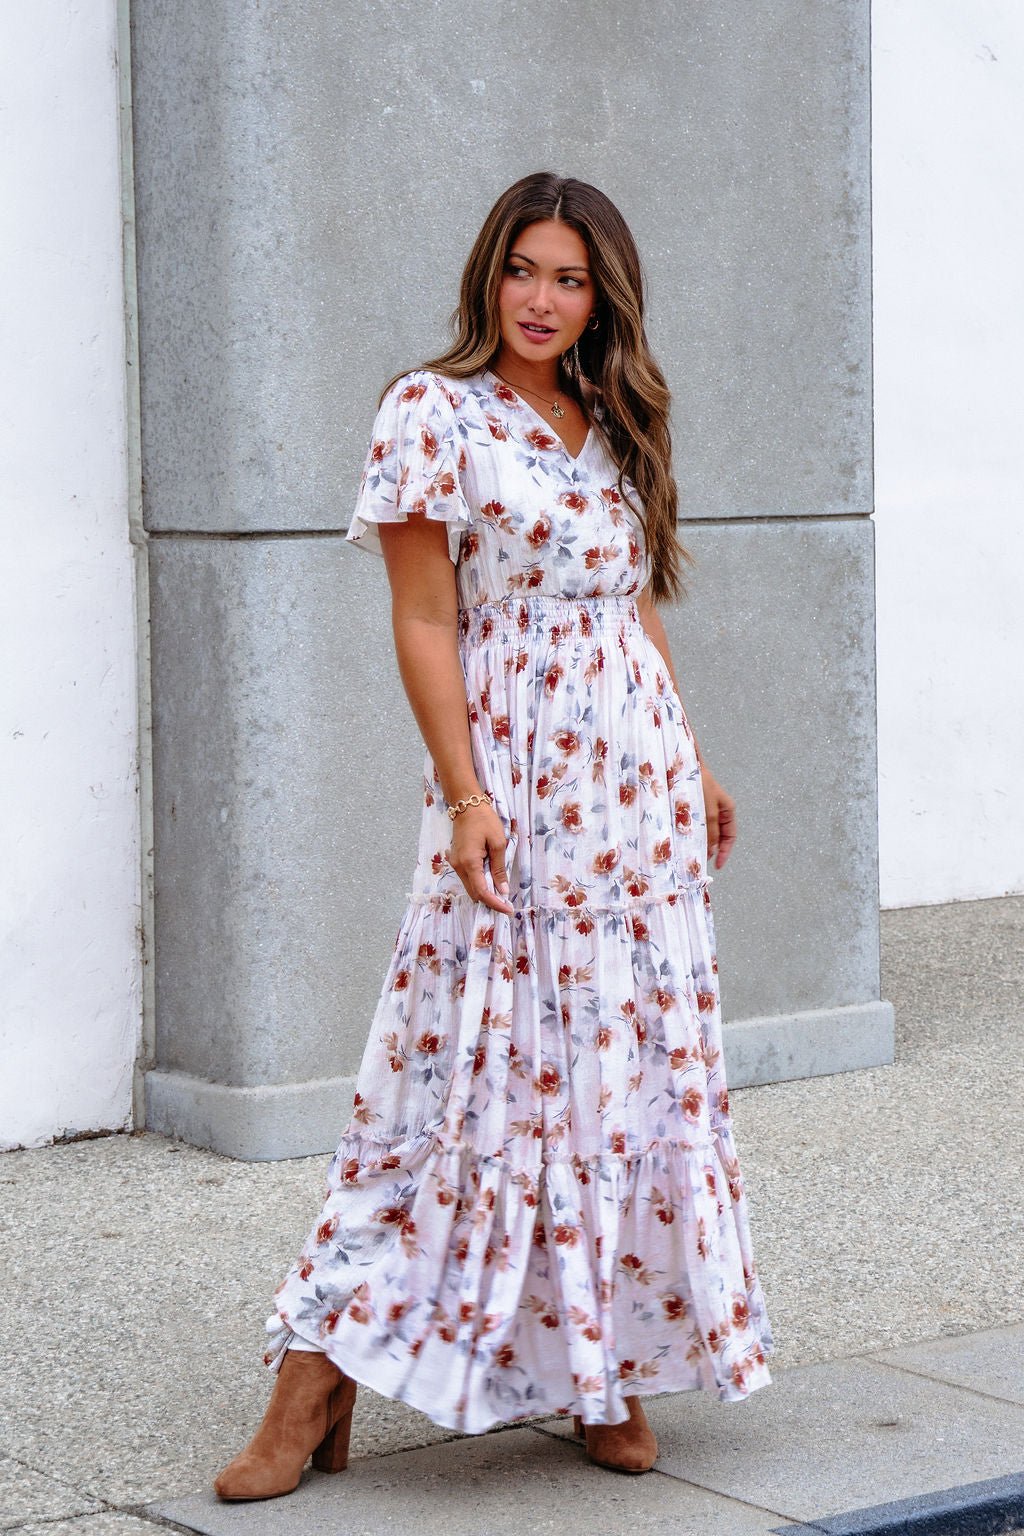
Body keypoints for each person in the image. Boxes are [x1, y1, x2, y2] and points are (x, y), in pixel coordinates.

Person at [214, 171, 774, 1500]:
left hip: (634, 799)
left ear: (603, 298)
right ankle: (314, 1376)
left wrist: (692, 758)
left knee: (624, 1072)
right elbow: (423, 617)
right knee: (463, 1072)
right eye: (524, 269)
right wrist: (467, 794)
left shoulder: (616, 415)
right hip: (513, 787)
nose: (542, 298)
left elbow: (632, 608)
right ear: (489, 274)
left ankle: (602, 1367)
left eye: (571, 278)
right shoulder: (433, 411)